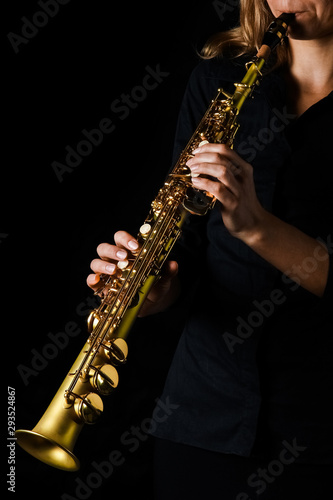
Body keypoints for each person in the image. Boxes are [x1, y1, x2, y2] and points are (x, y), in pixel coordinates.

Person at [87, 0, 333, 498]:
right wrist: (154, 289)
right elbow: (192, 245)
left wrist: (258, 228)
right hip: (201, 420)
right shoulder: (218, 83)